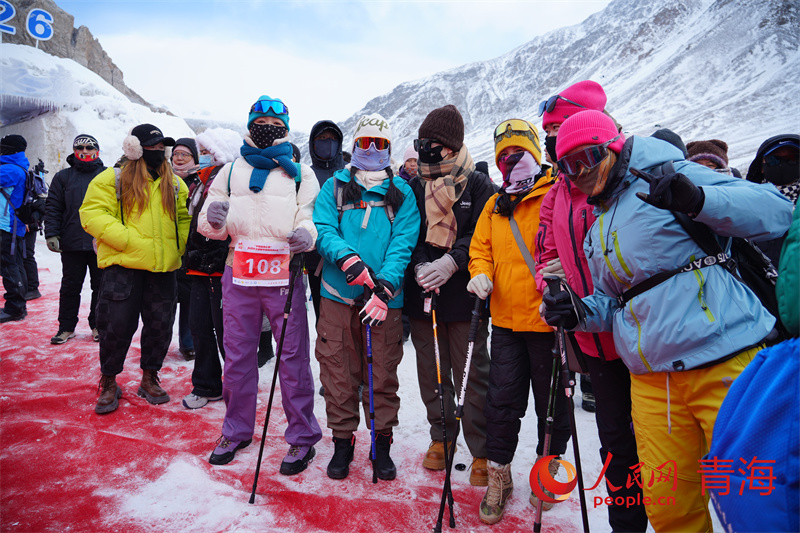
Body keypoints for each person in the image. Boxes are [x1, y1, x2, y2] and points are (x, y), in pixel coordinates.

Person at [542, 109, 792, 532]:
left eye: (588, 157)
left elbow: (777, 212)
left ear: (614, 147)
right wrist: (580, 312)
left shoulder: (670, 176)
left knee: (757, 502)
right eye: (568, 165)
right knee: (668, 508)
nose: (580, 172)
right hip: (653, 382)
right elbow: (617, 303)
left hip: (724, 360)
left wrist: (698, 200)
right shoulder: (598, 226)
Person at [536, 81, 648, 532]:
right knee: (616, 446)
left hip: (644, 339)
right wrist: (554, 290)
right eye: (550, 134)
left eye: (561, 129)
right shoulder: (557, 192)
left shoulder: (629, 179)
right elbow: (546, 254)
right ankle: (626, 524)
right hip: (595, 342)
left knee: (661, 446)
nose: (556, 142)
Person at [198, 95, 322, 473]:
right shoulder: (229, 171)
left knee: (292, 356)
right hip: (239, 270)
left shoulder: (300, 172)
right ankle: (236, 430)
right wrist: (214, 219)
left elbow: (310, 215)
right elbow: (208, 222)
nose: (267, 127)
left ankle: (302, 436)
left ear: (286, 128)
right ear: (250, 124)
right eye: (261, 121)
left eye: (276, 123)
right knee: (237, 355)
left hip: (283, 273)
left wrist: (306, 234)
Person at [466, 118, 566, 524]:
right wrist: (479, 272)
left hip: (547, 322)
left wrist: (564, 280)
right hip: (506, 322)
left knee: (552, 406)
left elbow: (570, 243)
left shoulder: (557, 192)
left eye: (519, 152)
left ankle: (548, 473)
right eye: (504, 155)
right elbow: (481, 249)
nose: (512, 160)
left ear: (536, 153)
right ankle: (499, 478)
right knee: (501, 404)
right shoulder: (495, 204)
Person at [313, 113, 420, 481]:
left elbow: (403, 242)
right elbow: (323, 228)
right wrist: (347, 259)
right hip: (337, 296)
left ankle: (381, 442)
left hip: (383, 301)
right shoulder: (335, 187)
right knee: (338, 371)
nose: (372, 149)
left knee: (382, 373)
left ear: (389, 148)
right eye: (365, 142)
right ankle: (342, 441)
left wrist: (385, 287)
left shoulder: (402, 193)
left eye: (380, 143)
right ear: (355, 145)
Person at [404, 104, 494, 488]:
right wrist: (422, 265)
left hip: (465, 299)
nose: (424, 149)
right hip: (424, 295)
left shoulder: (478, 185)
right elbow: (409, 231)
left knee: (472, 376)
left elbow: (482, 234)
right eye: (421, 142)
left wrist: (453, 261)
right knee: (432, 374)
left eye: (432, 143)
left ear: (451, 147)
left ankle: (481, 449)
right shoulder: (414, 186)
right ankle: (441, 437)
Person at [80, 124, 190, 415]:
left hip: (163, 268)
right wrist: (126, 241)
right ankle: (109, 381)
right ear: (135, 149)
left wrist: (177, 246)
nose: (158, 152)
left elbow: (184, 218)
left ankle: (149, 378)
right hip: (123, 267)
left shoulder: (175, 183)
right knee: (114, 326)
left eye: (161, 147)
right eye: (152, 147)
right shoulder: (112, 178)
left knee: (160, 326)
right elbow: (92, 213)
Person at [181, 128, 241, 410]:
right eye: (201, 151)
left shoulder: (234, 182)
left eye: (208, 152)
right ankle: (207, 385)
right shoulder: (199, 182)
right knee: (199, 327)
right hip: (198, 266)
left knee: (227, 332)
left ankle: (238, 387)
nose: (203, 156)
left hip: (222, 267)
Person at [44, 134, 106, 344]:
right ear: (74, 151)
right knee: (70, 287)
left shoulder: (107, 175)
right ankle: (66, 327)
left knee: (101, 287)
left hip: (101, 242)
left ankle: (98, 325)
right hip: (72, 242)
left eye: (89, 147)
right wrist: (52, 233)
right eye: (80, 148)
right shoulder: (63, 177)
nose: (85, 151)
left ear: (97, 150)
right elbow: (53, 207)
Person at [305, 120, 346, 326]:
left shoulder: (349, 174)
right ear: (313, 143)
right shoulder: (306, 175)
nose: (327, 142)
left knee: (346, 316)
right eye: (322, 138)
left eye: (332, 139)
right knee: (323, 317)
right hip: (315, 258)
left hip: (346, 256)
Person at [745, 134, 800, 264]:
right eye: (773, 159)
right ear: (761, 167)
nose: (783, 164)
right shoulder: (747, 204)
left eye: (793, 158)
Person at [171, 137, 200, 361]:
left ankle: (188, 343)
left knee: (190, 299)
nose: (179, 158)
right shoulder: (164, 179)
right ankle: (160, 341)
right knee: (166, 299)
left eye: (185, 154)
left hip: (192, 246)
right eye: (176, 154)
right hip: (168, 244)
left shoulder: (201, 180)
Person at [0, 134, 30, 323]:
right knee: (15, 264)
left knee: (8, 266)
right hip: (13, 226)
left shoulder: (9, 170)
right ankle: (18, 305)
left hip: (6, 226)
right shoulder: (19, 166)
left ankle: (15, 307)